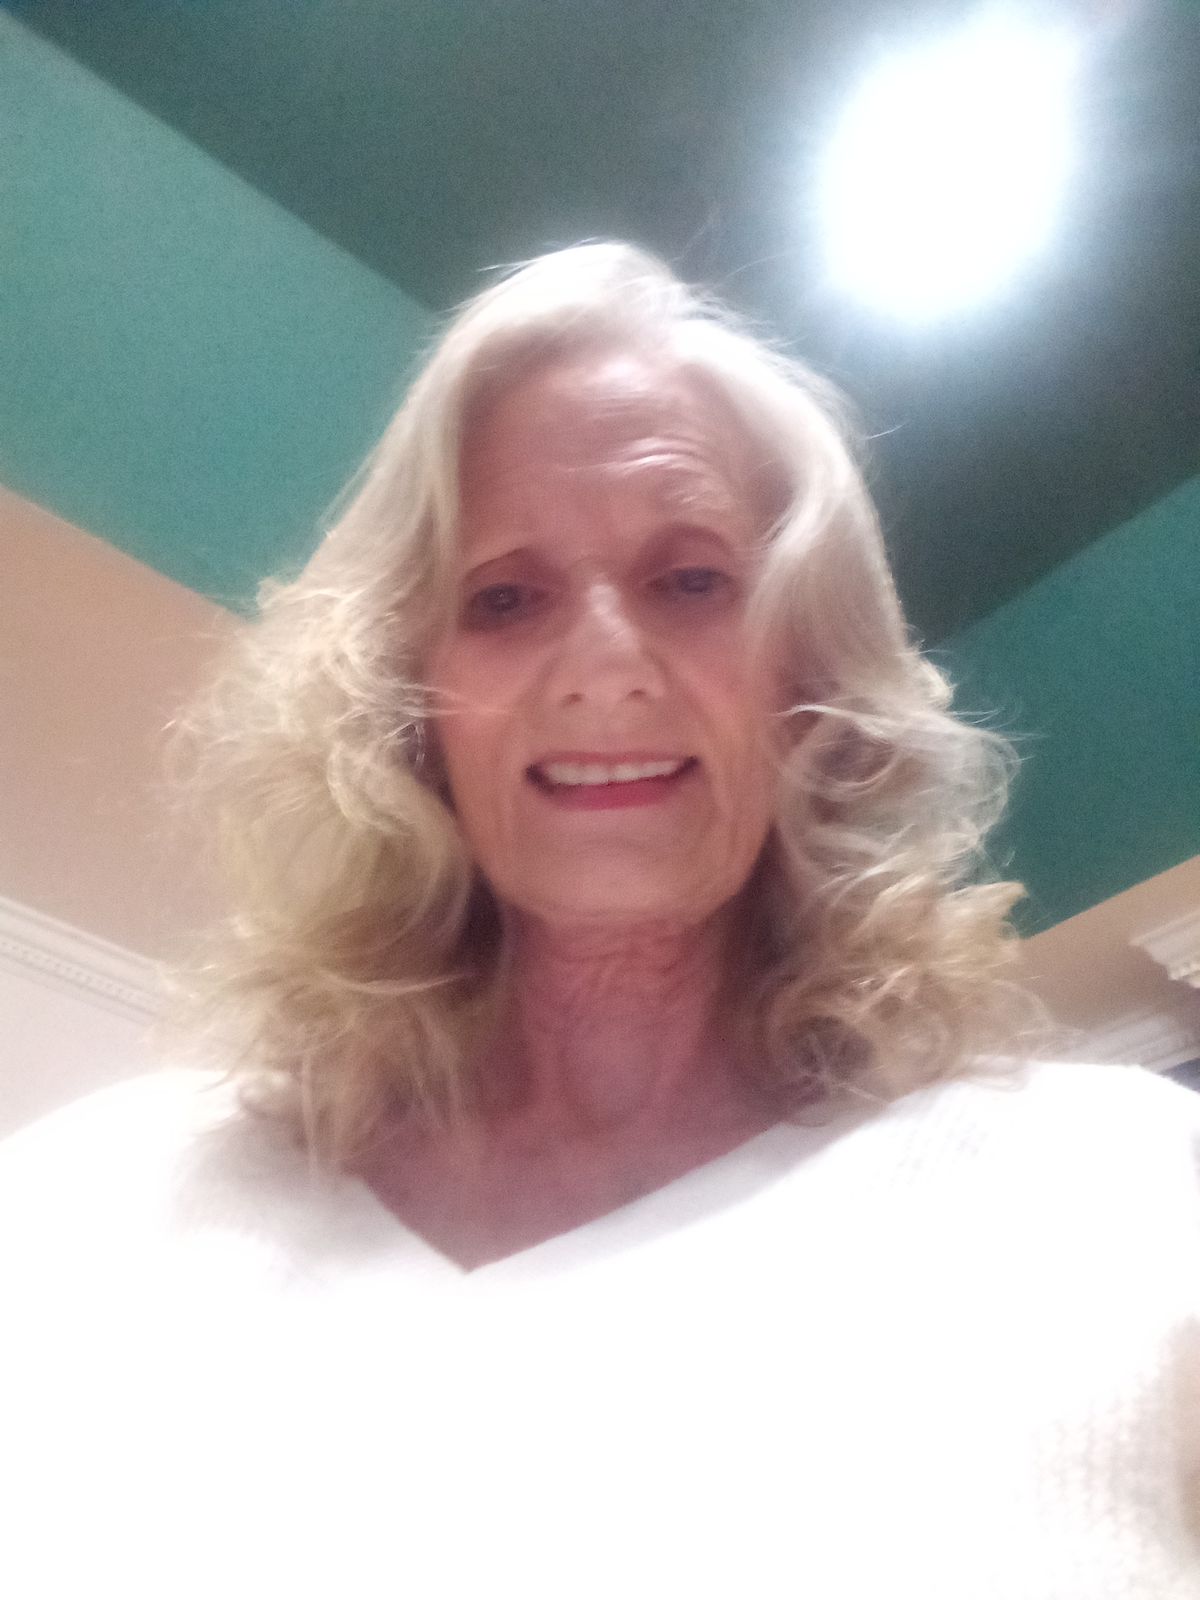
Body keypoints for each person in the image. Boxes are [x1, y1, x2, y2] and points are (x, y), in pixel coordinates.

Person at [2, 243, 1198, 1598]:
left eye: (691, 580)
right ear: (409, 706)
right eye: (505, 598)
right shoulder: (73, 1211)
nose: (604, 671)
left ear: (811, 672)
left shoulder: (1126, 1191)